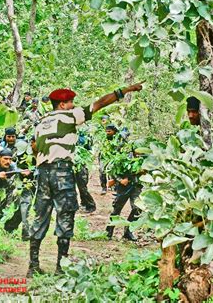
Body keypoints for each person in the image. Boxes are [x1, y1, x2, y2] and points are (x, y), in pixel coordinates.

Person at [27, 82, 144, 277]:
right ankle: (61, 267)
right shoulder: (69, 116)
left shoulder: (41, 122)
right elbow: (99, 104)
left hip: (42, 173)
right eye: (71, 102)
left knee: (40, 217)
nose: (73, 105)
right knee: (65, 215)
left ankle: (33, 266)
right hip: (61, 172)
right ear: (62, 104)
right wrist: (125, 90)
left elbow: (35, 149)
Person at [104, 137, 141, 241]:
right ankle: (109, 230)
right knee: (117, 209)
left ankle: (128, 231)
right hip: (124, 187)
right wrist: (120, 180)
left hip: (136, 186)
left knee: (137, 208)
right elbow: (113, 170)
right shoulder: (124, 157)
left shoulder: (144, 159)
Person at [74, 129, 96, 213]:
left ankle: (90, 205)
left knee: (82, 187)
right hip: (73, 165)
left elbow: (88, 151)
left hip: (80, 165)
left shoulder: (82, 138)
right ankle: (80, 204)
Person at [98, 124, 119, 195]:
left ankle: (116, 188)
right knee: (101, 171)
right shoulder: (104, 138)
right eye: (106, 131)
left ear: (114, 131)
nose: (107, 133)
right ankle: (104, 188)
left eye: (109, 131)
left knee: (114, 172)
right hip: (104, 157)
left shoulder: (118, 138)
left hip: (115, 157)